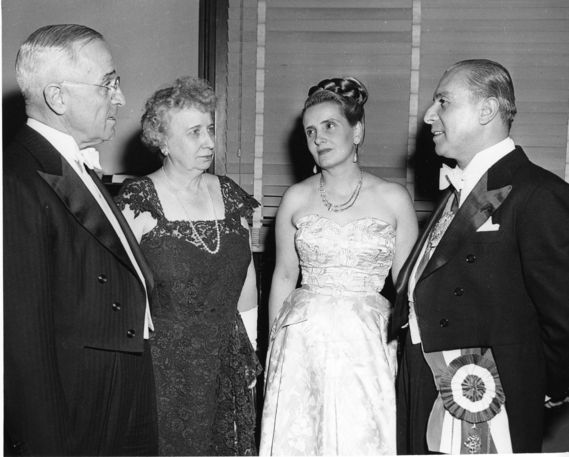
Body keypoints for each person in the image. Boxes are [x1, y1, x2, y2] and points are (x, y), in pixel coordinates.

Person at [391, 59, 569, 454]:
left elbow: (563, 315)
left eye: (443, 102)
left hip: (486, 395)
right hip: (425, 383)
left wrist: (542, 387)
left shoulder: (538, 194)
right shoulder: (456, 193)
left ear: (486, 110)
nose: (427, 116)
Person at [4, 24, 158, 455]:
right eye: (108, 83)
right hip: (79, 407)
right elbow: (20, 342)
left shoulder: (77, 167)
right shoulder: (14, 179)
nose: (121, 98)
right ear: (58, 97)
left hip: (121, 388)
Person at [259, 77, 418, 455]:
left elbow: (409, 285)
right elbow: (283, 275)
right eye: (310, 131)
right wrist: (272, 350)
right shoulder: (295, 198)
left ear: (357, 130)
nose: (319, 139)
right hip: (302, 340)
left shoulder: (393, 198)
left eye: (330, 126)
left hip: (367, 340)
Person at [115, 76, 262, 456]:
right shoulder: (138, 199)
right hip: (162, 365)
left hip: (226, 357)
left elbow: (246, 283)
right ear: (162, 140)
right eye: (194, 132)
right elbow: (117, 289)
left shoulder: (230, 195)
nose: (210, 142)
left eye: (210, 129)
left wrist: (251, 351)